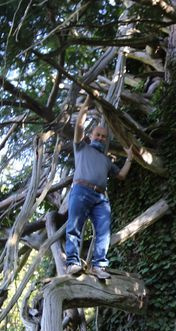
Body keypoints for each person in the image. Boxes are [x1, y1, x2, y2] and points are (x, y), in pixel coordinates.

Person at [65, 95, 133, 279]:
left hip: (101, 198)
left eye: (104, 137)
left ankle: (99, 266)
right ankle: (72, 263)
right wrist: (87, 103)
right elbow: (79, 125)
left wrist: (129, 158)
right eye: (98, 135)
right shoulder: (81, 148)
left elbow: (121, 175)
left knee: (104, 231)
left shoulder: (106, 160)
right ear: (90, 136)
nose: (101, 138)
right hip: (80, 191)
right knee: (74, 227)